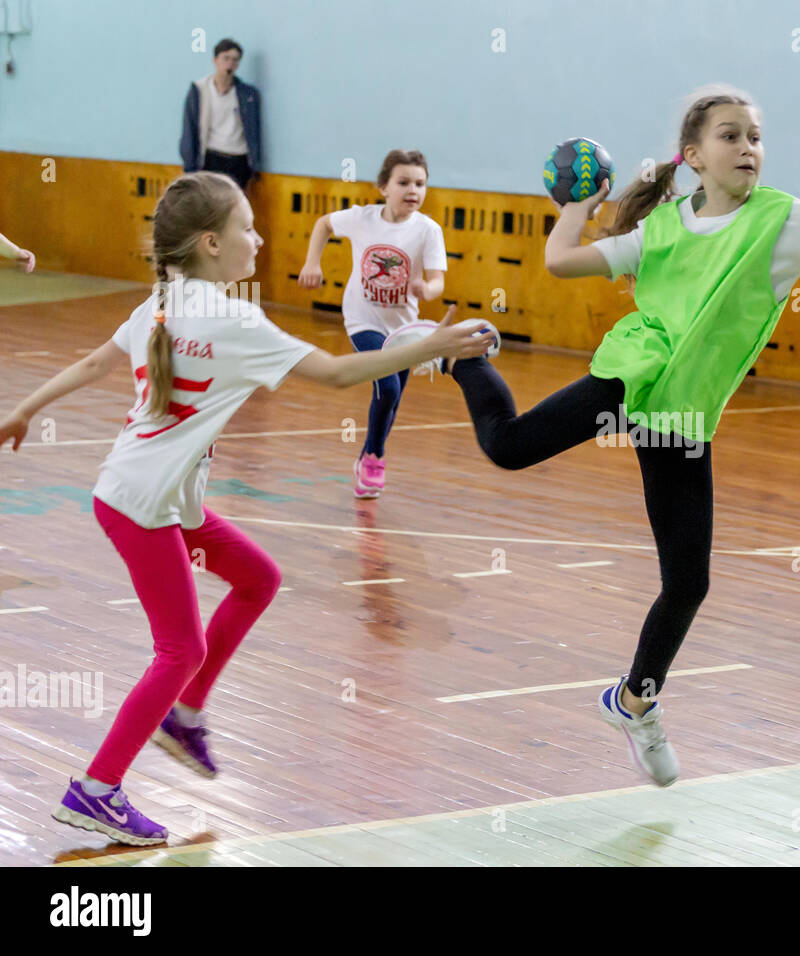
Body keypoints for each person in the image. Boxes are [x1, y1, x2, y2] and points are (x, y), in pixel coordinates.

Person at [442, 86, 800, 787]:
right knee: (509, 446)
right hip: (632, 374)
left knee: (689, 583)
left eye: (756, 135)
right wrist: (575, 211)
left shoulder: (786, 222)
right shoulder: (663, 227)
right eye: (731, 136)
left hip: (681, 413)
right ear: (695, 157)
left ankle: (634, 701)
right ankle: (466, 359)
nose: (749, 147)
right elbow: (561, 262)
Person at [0, 172, 490, 846]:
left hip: (151, 496)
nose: (258, 238)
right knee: (180, 649)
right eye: (247, 229)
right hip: (145, 504)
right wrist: (435, 344)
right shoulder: (233, 321)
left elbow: (90, 365)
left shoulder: (162, 304)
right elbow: (340, 373)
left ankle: (187, 717)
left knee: (258, 578)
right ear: (210, 243)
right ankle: (96, 789)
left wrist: (27, 408)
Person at [298, 150, 448, 498]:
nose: (413, 190)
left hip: (404, 329)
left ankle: (368, 452)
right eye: (404, 182)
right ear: (383, 187)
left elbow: (438, 280)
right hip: (362, 319)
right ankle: (375, 458)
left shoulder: (428, 230)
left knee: (392, 400)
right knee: (389, 388)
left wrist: (428, 288)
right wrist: (312, 264)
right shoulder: (362, 219)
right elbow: (323, 224)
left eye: (420, 183)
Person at [180, 38, 262, 190]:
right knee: (209, 206)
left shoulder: (247, 94)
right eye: (226, 58)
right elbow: (189, 129)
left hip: (238, 159)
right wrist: (189, 167)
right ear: (215, 60)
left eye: (235, 60)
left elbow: (254, 131)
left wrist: (254, 166)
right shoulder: (199, 90)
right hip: (211, 158)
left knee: (233, 208)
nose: (230, 64)